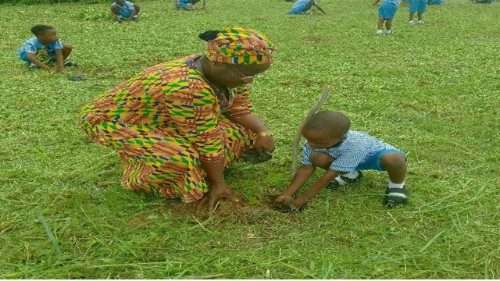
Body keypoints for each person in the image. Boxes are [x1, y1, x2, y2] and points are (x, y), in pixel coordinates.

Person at [79, 27, 276, 212]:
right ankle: (139, 177)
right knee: (179, 160)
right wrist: (219, 184)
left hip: (166, 118)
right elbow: (206, 139)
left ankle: (203, 167)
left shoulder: (231, 71)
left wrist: (262, 132)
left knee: (246, 133)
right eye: (246, 75)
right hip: (116, 121)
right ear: (216, 61)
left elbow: (239, 107)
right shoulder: (187, 86)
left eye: (254, 76)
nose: (248, 81)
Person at [275, 111, 408, 211]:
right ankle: (352, 173)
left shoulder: (356, 144)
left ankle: (397, 185)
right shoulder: (315, 141)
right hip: (343, 159)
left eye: (319, 142)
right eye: (308, 139)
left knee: (394, 160)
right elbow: (306, 168)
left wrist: (302, 199)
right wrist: (287, 194)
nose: (311, 144)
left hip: (373, 158)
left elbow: (329, 176)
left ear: (341, 137)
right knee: (316, 157)